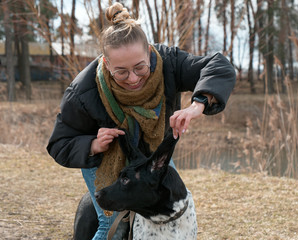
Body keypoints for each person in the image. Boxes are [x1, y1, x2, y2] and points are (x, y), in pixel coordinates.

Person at [47, 2, 236, 239]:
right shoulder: (83, 91)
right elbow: (59, 144)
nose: (133, 78)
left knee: (174, 211)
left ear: (149, 51)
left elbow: (219, 66)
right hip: (105, 159)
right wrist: (94, 145)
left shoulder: (169, 62)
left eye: (140, 67)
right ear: (106, 64)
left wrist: (198, 104)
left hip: (150, 156)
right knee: (111, 226)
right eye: (122, 72)